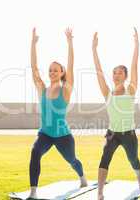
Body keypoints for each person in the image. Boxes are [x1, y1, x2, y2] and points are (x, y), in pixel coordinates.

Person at [27, 28, 87, 200]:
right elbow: (34, 69)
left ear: (61, 73)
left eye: (56, 70)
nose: (52, 72)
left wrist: (70, 44)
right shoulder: (42, 89)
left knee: (72, 160)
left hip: (63, 135)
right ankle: (33, 191)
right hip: (44, 133)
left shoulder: (65, 91)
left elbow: (71, 66)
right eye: (51, 70)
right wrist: (33, 44)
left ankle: (82, 177)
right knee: (35, 152)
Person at [92, 28, 140, 200]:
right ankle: (100, 192)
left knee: (133, 160)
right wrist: (94, 50)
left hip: (129, 134)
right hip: (112, 134)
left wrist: (137, 45)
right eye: (114, 72)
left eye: (120, 73)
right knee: (104, 158)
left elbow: (135, 66)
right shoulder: (107, 93)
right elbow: (98, 71)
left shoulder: (130, 90)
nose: (116, 75)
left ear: (125, 76)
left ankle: (139, 178)